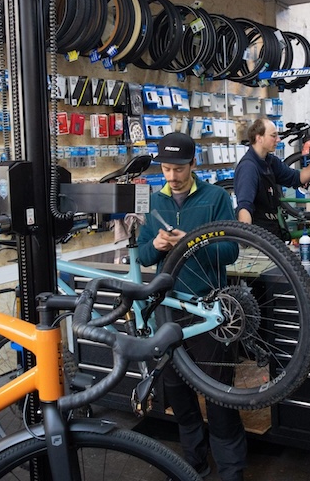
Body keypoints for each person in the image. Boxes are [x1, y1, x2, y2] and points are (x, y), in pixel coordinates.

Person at [137, 132, 244, 481]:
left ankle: (230, 474)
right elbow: (141, 255)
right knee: (180, 399)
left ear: (193, 164)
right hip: (167, 312)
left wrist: (193, 243)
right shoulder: (154, 202)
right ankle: (194, 468)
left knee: (221, 400)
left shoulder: (215, 199)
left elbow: (231, 251)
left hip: (210, 311)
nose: (172, 176)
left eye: (178, 169)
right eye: (166, 169)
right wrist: (155, 244)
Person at [233, 118, 310, 238]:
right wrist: (248, 240)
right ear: (259, 138)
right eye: (273, 136)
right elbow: (244, 207)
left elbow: (299, 178)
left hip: (272, 233)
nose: (278, 139)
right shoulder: (248, 168)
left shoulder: (270, 161)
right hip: (260, 239)